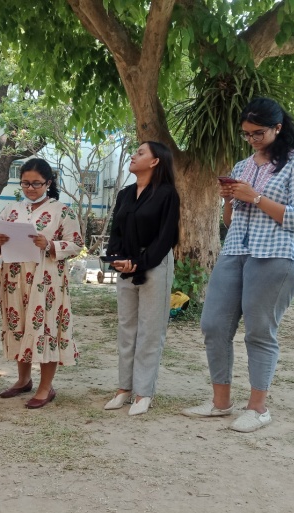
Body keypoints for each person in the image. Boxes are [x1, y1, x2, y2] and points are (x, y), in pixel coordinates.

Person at [182, 97, 294, 432]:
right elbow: (231, 222)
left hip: (278, 254)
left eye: (259, 133)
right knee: (213, 324)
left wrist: (255, 197)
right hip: (236, 251)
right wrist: (230, 199)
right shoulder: (243, 166)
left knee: (259, 330)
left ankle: (258, 409)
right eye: (246, 133)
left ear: (278, 128)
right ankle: (221, 403)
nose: (252, 139)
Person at [0, 158, 84, 409]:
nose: (30, 188)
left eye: (36, 183)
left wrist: (50, 244)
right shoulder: (11, 209)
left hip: (46, 281)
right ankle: (23, 380)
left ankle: (45, 387)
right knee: (19, 325)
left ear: (48, 183)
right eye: (25, 183)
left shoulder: (62, 210)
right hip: (14, 279)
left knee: (45, 327)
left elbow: (76, 244)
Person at [103, 141, 180, 416]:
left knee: (150, 329)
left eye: (140, 153)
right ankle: (124, 388)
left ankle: (143, 392)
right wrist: (117, 259)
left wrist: (140, 263)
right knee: (126, 327)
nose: (133, 156)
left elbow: (167, 237)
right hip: (126, 264)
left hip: (155, 264)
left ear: (155, 161)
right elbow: (117, 231)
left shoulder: (167, 194)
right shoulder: (125, 194)